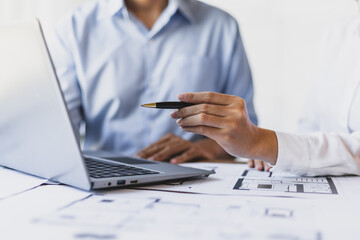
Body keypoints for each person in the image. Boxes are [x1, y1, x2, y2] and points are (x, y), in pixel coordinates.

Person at [48, 0, 257, 164]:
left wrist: (208, 148)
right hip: (106, 178)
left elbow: (246, 129)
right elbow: (60, 135)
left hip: (193, 174)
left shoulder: (221, 27)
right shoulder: (74, 29)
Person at [171, 12, 360, 176]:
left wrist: (265, 144)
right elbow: (310, 127)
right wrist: (277, 154)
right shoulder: (339, 33)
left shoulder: (221, 25)